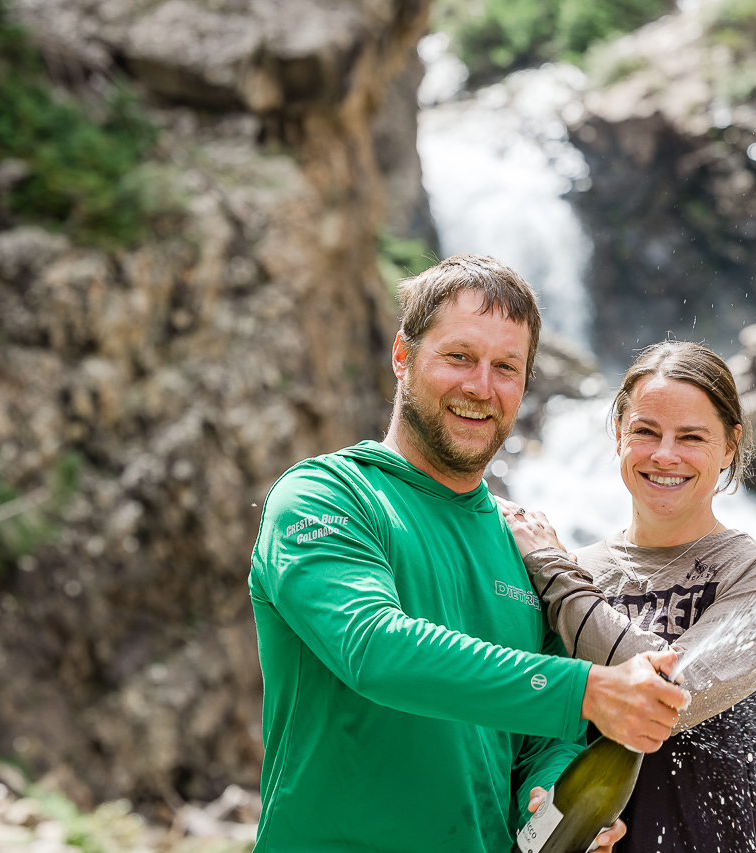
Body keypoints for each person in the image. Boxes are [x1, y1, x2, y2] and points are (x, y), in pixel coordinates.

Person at [248, 255, 688, 853]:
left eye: (506, 367)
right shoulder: (325, 495)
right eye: (459, 357)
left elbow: (542, 741)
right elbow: (373, 647)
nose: (481, 387)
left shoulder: (524, 544)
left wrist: (553, 793)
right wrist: (585, 689)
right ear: (404, 356)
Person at [501, 340, 756, 853]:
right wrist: (539, 796)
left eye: (691, 437)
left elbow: (668, 699)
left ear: (730, 445)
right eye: (646, 431)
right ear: (619, 434)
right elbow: (537, 737)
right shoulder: (572, 572)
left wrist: (553, 571)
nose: (665, 455)